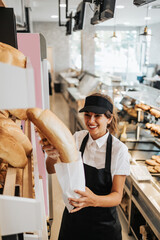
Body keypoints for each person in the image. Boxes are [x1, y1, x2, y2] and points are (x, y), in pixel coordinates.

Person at [43, 93, 130, 240]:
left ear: (109, 119)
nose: (91, 121)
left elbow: (117, 196)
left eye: (97, 116)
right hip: (73, 222)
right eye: (87, 115)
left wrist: (94, 200)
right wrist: (52, 156)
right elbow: (50, 169)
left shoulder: (119, 150)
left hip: (103, 227)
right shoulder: (77, 138)